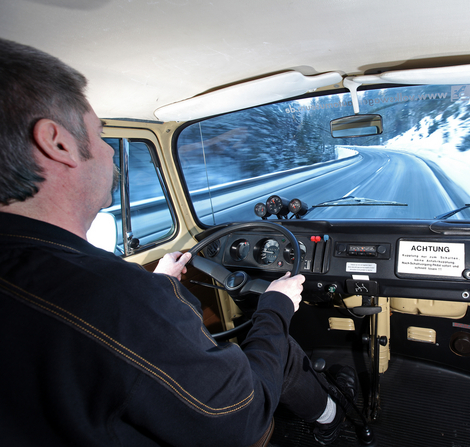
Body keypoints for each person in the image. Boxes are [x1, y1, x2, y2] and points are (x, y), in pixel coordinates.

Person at [0, 38, 356, 446]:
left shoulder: (70, 282)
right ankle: (331, 421)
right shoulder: (113, 297)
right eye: (101, 135)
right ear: (58, 142)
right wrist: (275, 305)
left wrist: (161, 282)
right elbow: (241, 418)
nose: (111, 153)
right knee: (282, 351)